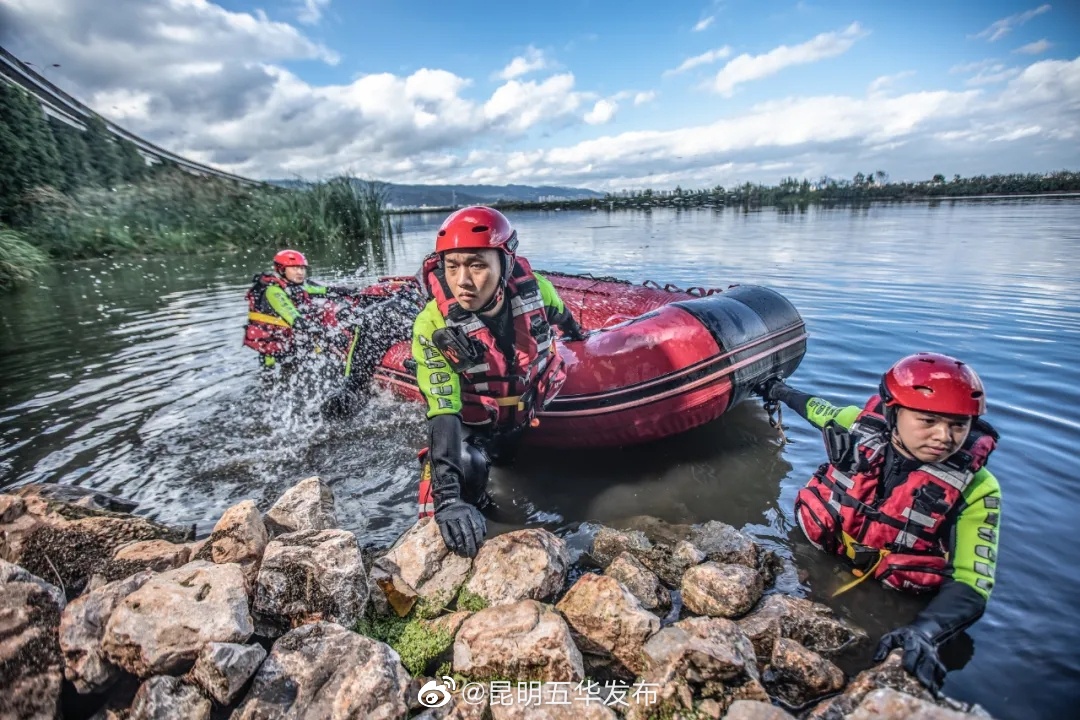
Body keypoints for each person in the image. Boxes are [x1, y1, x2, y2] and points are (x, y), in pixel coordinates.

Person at [757, 352, 1002, 694]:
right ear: (892, 412)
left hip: (892, 587)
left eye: (958, 425)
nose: (945, 436)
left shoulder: (978, 488)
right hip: (822, 552)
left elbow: (972, 581)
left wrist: (925, 631)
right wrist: (777, 390)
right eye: (928, 420)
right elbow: (816, 408)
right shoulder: (859, 427)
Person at [411, 206, 586, 558]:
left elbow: (564, 318)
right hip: (475, 424)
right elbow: (443, 409)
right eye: (452, 266)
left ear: (505, 264)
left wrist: (580, 338)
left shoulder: (537, 291)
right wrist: (448, 500)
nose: (462, 281)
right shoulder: (432, 325)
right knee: (468, 465)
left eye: (477, 265)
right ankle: (483, 524)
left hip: (523, 414)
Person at [243, 249, 416, 414]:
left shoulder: (299, 286)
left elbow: (327, 291)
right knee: (277, 384)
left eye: (302, 268)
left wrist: (355, 292)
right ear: (281, 269)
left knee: (299, 373)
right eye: (294, 268)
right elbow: (297, 321)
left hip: (290, 342)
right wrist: (331, 335)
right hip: (274, 351)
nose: (300, 272)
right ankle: (271, 403)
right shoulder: (273, 292)